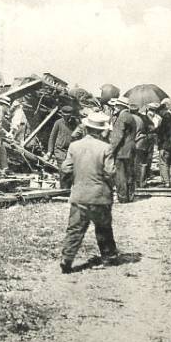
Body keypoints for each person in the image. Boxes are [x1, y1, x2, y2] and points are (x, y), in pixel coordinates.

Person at [59, 112, 118, 274]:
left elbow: (65, 168)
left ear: (86, 127)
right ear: (102, 130)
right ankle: (109, 257)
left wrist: (71, 181)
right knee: (103, 228)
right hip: (100, 196)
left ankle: (67, 259)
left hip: (79, 195)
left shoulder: (74, 146)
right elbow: (110, 172)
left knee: (75, 228)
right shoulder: (106, 148)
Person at [109, 97, 137, 202]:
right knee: (129, 173)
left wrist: (110, 150)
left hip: (121, 150)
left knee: (120, 174)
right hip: (131, 148)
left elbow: (117, 136)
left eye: (116, 106)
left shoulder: (122, 117)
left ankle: (123, 197)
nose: (115, 107)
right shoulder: (130, 116)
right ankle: (130, 196)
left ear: (121, 106)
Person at [156, 100, 171, 187]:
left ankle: (166, 182)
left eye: (159, 113)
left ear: (162, 111)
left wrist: (161, 147)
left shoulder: (165, 119)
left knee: (164, 163)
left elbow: (162, 134)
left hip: (166, 145)